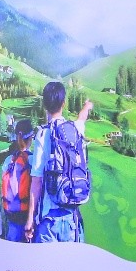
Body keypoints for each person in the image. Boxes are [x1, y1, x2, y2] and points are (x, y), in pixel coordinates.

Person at [26, 82, 94, 243]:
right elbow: (82, 118)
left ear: (44, 104)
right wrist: (87, 106)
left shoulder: (42, 134)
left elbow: (37, 181)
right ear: (63, 103)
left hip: (49, 221)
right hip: (72, 220)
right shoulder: (75, 129)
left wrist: (30, 219)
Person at [0, 118, 35, 240]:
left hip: (10, 211)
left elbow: (2, 188)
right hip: (27, 214)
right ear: (31, 138)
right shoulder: (33, 160)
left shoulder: (9, 160)